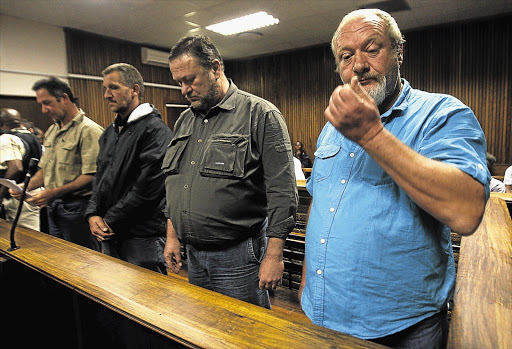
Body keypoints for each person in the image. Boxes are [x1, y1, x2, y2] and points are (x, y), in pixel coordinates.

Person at [299, 9, 489, 348]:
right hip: (324, 313)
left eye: (372, 49)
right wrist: (306, 284)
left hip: (403, 327)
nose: (358, 64)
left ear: (399, 52)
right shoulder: (333, 127)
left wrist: (371, 135)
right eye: (346, 56)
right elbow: (320, 204)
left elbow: (467, 210)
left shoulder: (442, 114)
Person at [164, 36, 297, 309]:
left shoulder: (260, 114)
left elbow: (282, 193)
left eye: (191, 79)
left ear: (215, 68)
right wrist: (172, 236)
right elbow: (175, 182)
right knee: (206, 329)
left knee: (246, 334)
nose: (184, 90)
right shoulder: (185, 120)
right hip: (195, 257)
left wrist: (274, 255)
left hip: (238, 257)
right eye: (179, 82)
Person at [86, 63, 173, 274]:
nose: (107, 95)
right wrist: (93, 214)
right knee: (116, 295)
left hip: (142, 236)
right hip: (109, 232)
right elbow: (100, 179)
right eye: (105, 89)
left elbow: (147, 189)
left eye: (113, 87)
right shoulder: (110, 133)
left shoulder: (155, 132)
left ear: (134, 89)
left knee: (150, 300)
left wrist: (109, 219)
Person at [10, 77, 104, 250]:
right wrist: (26, 187)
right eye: (41, 104)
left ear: (65, 98)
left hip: (78, 209)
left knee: (83, 263)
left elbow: (92, 175)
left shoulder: (88, 130)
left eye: (47, 103)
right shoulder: (53, 130)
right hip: (54, 207)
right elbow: (46, 170)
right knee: (60, 258)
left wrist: (53, 192)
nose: (44, 110)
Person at [0, 108, 42, 230]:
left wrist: (1, 192)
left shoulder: (6, 138)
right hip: (34, 191)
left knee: (23, 240)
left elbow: (16, 167)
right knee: (32, 235)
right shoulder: (32, 136)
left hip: (17, 195)